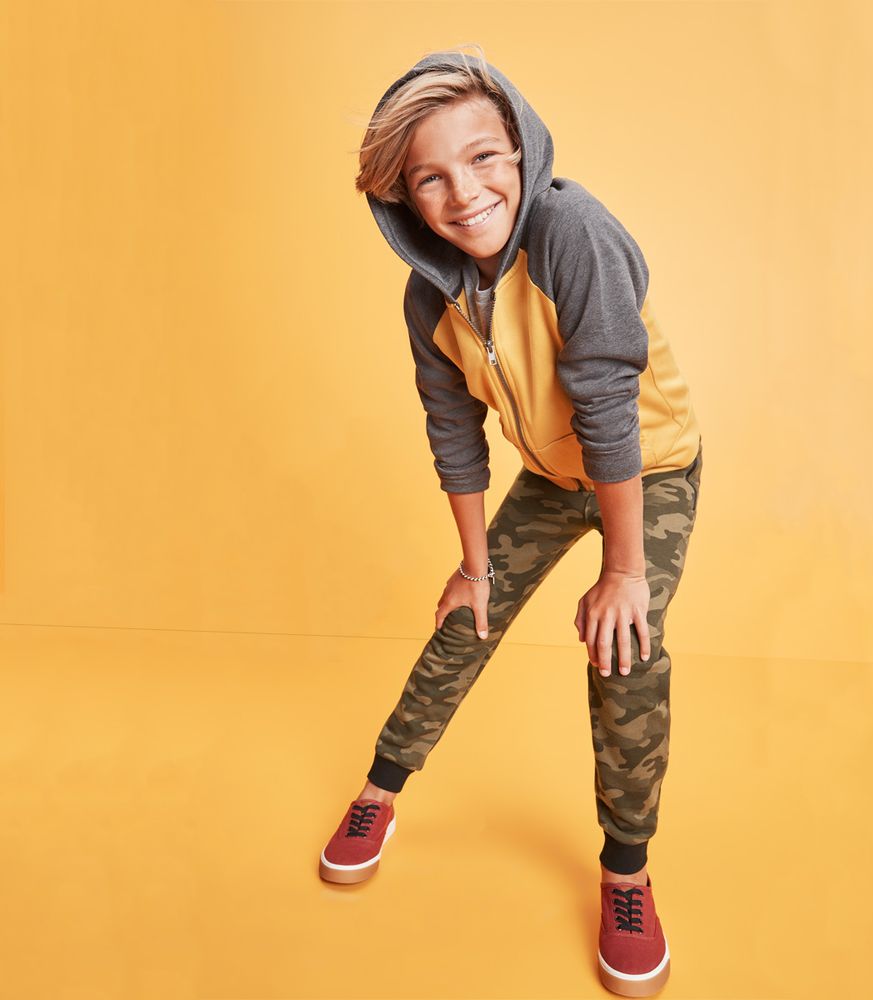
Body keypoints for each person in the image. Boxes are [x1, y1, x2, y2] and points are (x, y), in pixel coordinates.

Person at [318, 45, 702, 996]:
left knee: (626, 647)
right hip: (553, 473)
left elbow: (608, 406)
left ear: (522, 149)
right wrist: (474, 566)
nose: (465, 192)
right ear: (402, 198)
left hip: (648, 467)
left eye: (484, 157)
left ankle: (627, 872)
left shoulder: (573, 232)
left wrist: (623, 573)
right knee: (465, 619)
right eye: (431, 177)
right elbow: (453, 431)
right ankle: (380, 790)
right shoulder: (430, 295)